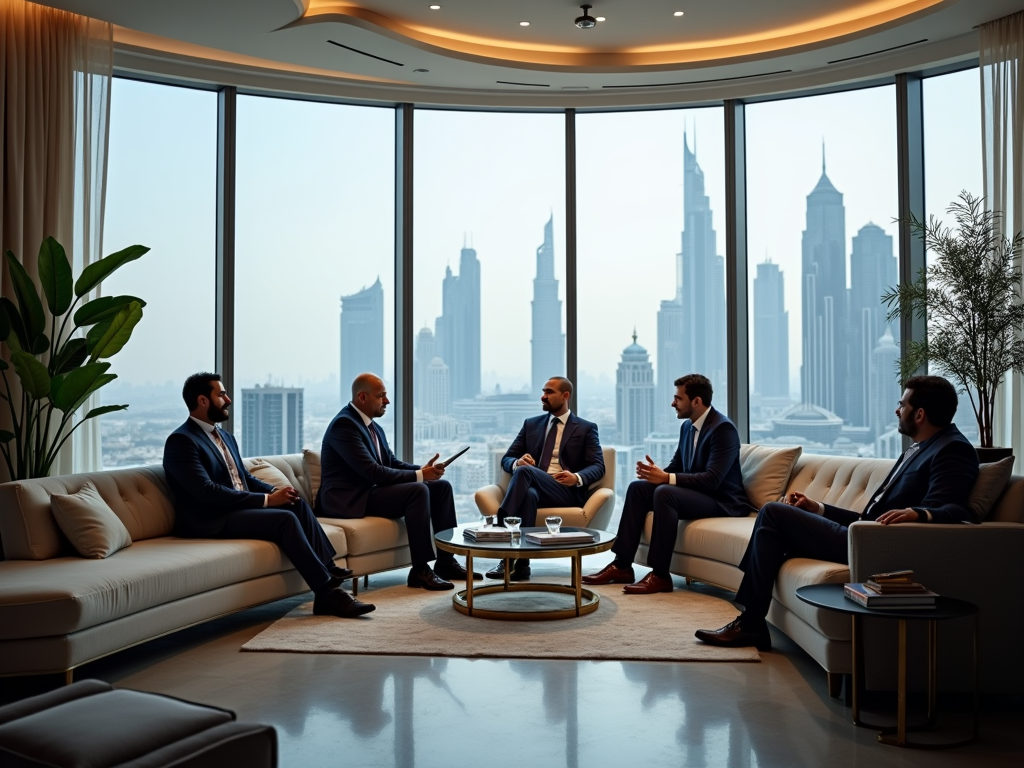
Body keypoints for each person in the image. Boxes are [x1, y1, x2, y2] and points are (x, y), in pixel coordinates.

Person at [696, 375, 980, 650]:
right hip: (865, 534)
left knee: (772, 513)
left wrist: (919, 514)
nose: (897, 410)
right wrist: (817, 507)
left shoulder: (952, 449)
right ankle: (751, 620)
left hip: (878, 546)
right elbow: (866, 519)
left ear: (919, 414)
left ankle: (750, 622)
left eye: (902, 405)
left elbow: (956, 509)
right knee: (777, 527)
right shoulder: (920, 449)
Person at [163, 373, 374, 619]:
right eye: (221, 394)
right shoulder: (182, 441)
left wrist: (274, 491)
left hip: (237, 509)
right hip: (210, 518)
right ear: (202, 400)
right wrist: (266, 501)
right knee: (283, 519)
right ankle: (327, 593)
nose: (228, 399)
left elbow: (243, 478)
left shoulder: (225, 437)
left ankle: (327, 568)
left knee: (294, 502)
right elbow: (206, 492)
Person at [583, 373, 753, 594]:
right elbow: (678, 465)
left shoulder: (723, 429)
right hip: (700, 494)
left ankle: (661, 575)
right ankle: (621, 565)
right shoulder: (687, 427)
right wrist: (657, 474)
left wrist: (666, 480)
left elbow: (712, 479)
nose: (673, 403)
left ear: (696, 401)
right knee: (637, 488)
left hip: (723, 501)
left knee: (665, 493)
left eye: (678, 398)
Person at [317, 373, 477, 590]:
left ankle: (446, 562)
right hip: (348, 500)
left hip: (369, 492)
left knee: (441, 488)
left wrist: (423, 470)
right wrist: (421, 476)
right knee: (418, 490)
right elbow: (374, 472)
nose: (387, 401)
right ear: (362, 398)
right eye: (381, 396)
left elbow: (390, 462)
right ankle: (420, 570)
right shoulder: (344, 425)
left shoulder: (373, 427)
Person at [489, 376, 605, 582]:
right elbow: (507, 458)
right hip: (533, 487)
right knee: (528, 492)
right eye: (543, 391)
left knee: (525, 474)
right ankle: (521, 564)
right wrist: (518, 462)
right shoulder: (531, 425)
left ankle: (500, 531)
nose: (543, 396)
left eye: (549, 392)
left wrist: (576, 477)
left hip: (564, 490)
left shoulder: (586, 428)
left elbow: (598, 466)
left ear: (565, 396)